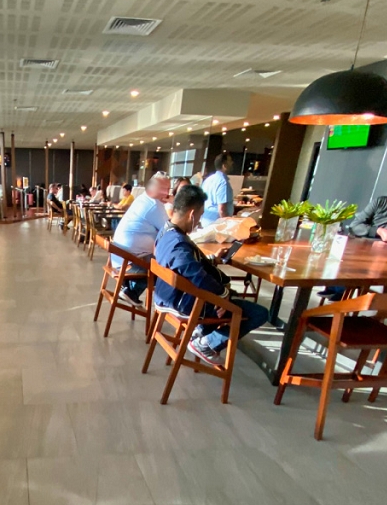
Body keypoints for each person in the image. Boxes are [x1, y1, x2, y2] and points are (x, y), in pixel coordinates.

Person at [154, 185, 269, 367]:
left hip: (169, 295)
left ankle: (201, 331)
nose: (199, 222)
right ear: (192, 214)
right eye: (199, 216)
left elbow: (185, 264)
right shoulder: (179, 244)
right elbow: (193, 273)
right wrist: (222, 296)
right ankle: (207, 343)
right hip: (184, 302)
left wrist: (211, 260)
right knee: (259, 313)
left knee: (229, 299)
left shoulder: (166, 231)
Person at [111, 172, 172, 304]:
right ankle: (132, 292)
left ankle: (128, 286)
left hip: (119, 256)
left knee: (159, 260)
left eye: (168, 188)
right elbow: (171, 230)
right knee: (166, 271)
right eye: (164, 188)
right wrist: (174, 204)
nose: (166, 193)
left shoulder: (143, 198)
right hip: (129, 261)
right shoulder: (154, 205)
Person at [200, 154, 233, 227]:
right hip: (217, 225)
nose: (232, 163)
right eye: (230, 161)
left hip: (205, 221)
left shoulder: (208, 180)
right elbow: (222, 210)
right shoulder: (223, 182)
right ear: (224, 165)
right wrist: (228, 226)